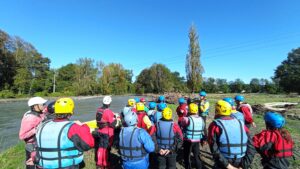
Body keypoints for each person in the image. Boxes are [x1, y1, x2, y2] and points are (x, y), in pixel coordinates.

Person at [35, 98, 94, 169]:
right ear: (70, 113)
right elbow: (88, 145)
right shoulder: (73, 127)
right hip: (66, 166)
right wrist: (83, 127)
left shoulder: (42, 125)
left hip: (44, 166)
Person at [208, 100, 255, 169]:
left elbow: (213, 148)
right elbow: (251, 145)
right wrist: (243, 166)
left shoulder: (215, 125)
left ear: (217, 111)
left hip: (224, 161)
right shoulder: (241, 123)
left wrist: (229, 167)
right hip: (241, 160)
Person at [19, 96, 47, 169]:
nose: (44, 106)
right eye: (42, 104)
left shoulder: (40, 112)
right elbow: (22, 136)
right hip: (32, 146)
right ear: (35, 106)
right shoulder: (30, 118)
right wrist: (36, 129)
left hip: (39, 144)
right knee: (32, 165)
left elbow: (46, 112)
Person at [94, 96, 117, 169]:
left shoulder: (98, 110)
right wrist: (115, 118)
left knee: (101, 147)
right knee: (106, 148)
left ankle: (99, 164)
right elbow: (113, 124)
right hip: (107, 132)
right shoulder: (108, 111)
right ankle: (105, 163)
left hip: (100, 131)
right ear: (109, 103)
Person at [180, 103, 206, 169]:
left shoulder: (187, 119)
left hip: (188, 141)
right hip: (197, 140)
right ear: (197, 110)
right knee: (196, 156)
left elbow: (182, 125)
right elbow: (203, 129)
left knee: (187, 156)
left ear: (189, 110)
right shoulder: (201, 119)